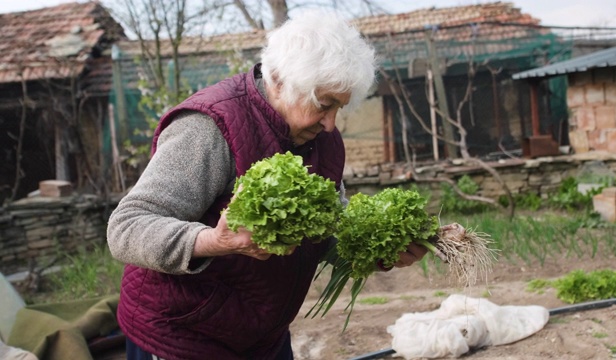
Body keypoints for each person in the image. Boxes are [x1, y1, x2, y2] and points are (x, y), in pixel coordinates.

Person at [107, 10, 438, 360]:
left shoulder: (322, 141)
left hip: (262, 337)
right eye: (323, 105)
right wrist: (214, 241)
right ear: (279, 81)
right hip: (183, 336)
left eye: (339, 108)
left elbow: (326, 229)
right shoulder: (209, 128)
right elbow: (126, 227)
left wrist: (380, 249)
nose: (330, 124)